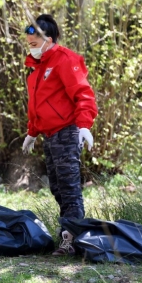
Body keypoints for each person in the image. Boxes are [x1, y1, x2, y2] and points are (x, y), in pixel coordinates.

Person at [21, 14, 98, 256]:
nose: (31, 48)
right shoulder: (37, 68)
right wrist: (32, 133)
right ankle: (69, 234)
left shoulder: (65, 60)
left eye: (34, 43)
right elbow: (38, 105)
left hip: (67, 132)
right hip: (49, 135)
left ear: (49, 40)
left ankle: (72, 241)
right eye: (29, 44)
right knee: (56, 186)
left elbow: (83, 93)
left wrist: (84, 125)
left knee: (69, 188)